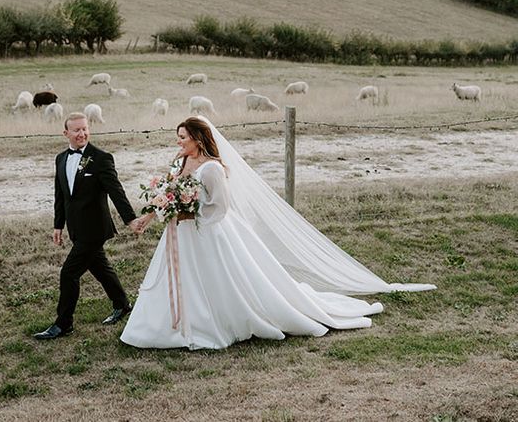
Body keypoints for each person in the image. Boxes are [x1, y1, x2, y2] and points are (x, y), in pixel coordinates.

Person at [121, 116, 435, 350]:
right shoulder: (181, 162)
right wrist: (148, 218)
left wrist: (193, 214)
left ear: (198, 139)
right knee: (177, 279)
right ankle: (166, 325)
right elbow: (168, 196)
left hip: (207, 233)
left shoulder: (212, 168)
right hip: (179, 235)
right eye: (178, 137)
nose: (179, 142)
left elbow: (221, 206)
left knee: (215, 280)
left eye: (183, 137)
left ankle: (211, 322)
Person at [34, 112, 142, 340]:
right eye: (76, 130)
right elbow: (61, 195)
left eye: (85, 129)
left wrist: (131, 219)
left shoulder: (101, 158)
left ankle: (64, 324)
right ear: (66, 133)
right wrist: (58, 225)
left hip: (94, 229)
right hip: (76, 228)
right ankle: (122, 304)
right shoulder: (61, 158)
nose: (82, 133)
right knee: (99, 266)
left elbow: (116, 191)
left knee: (69, 273)